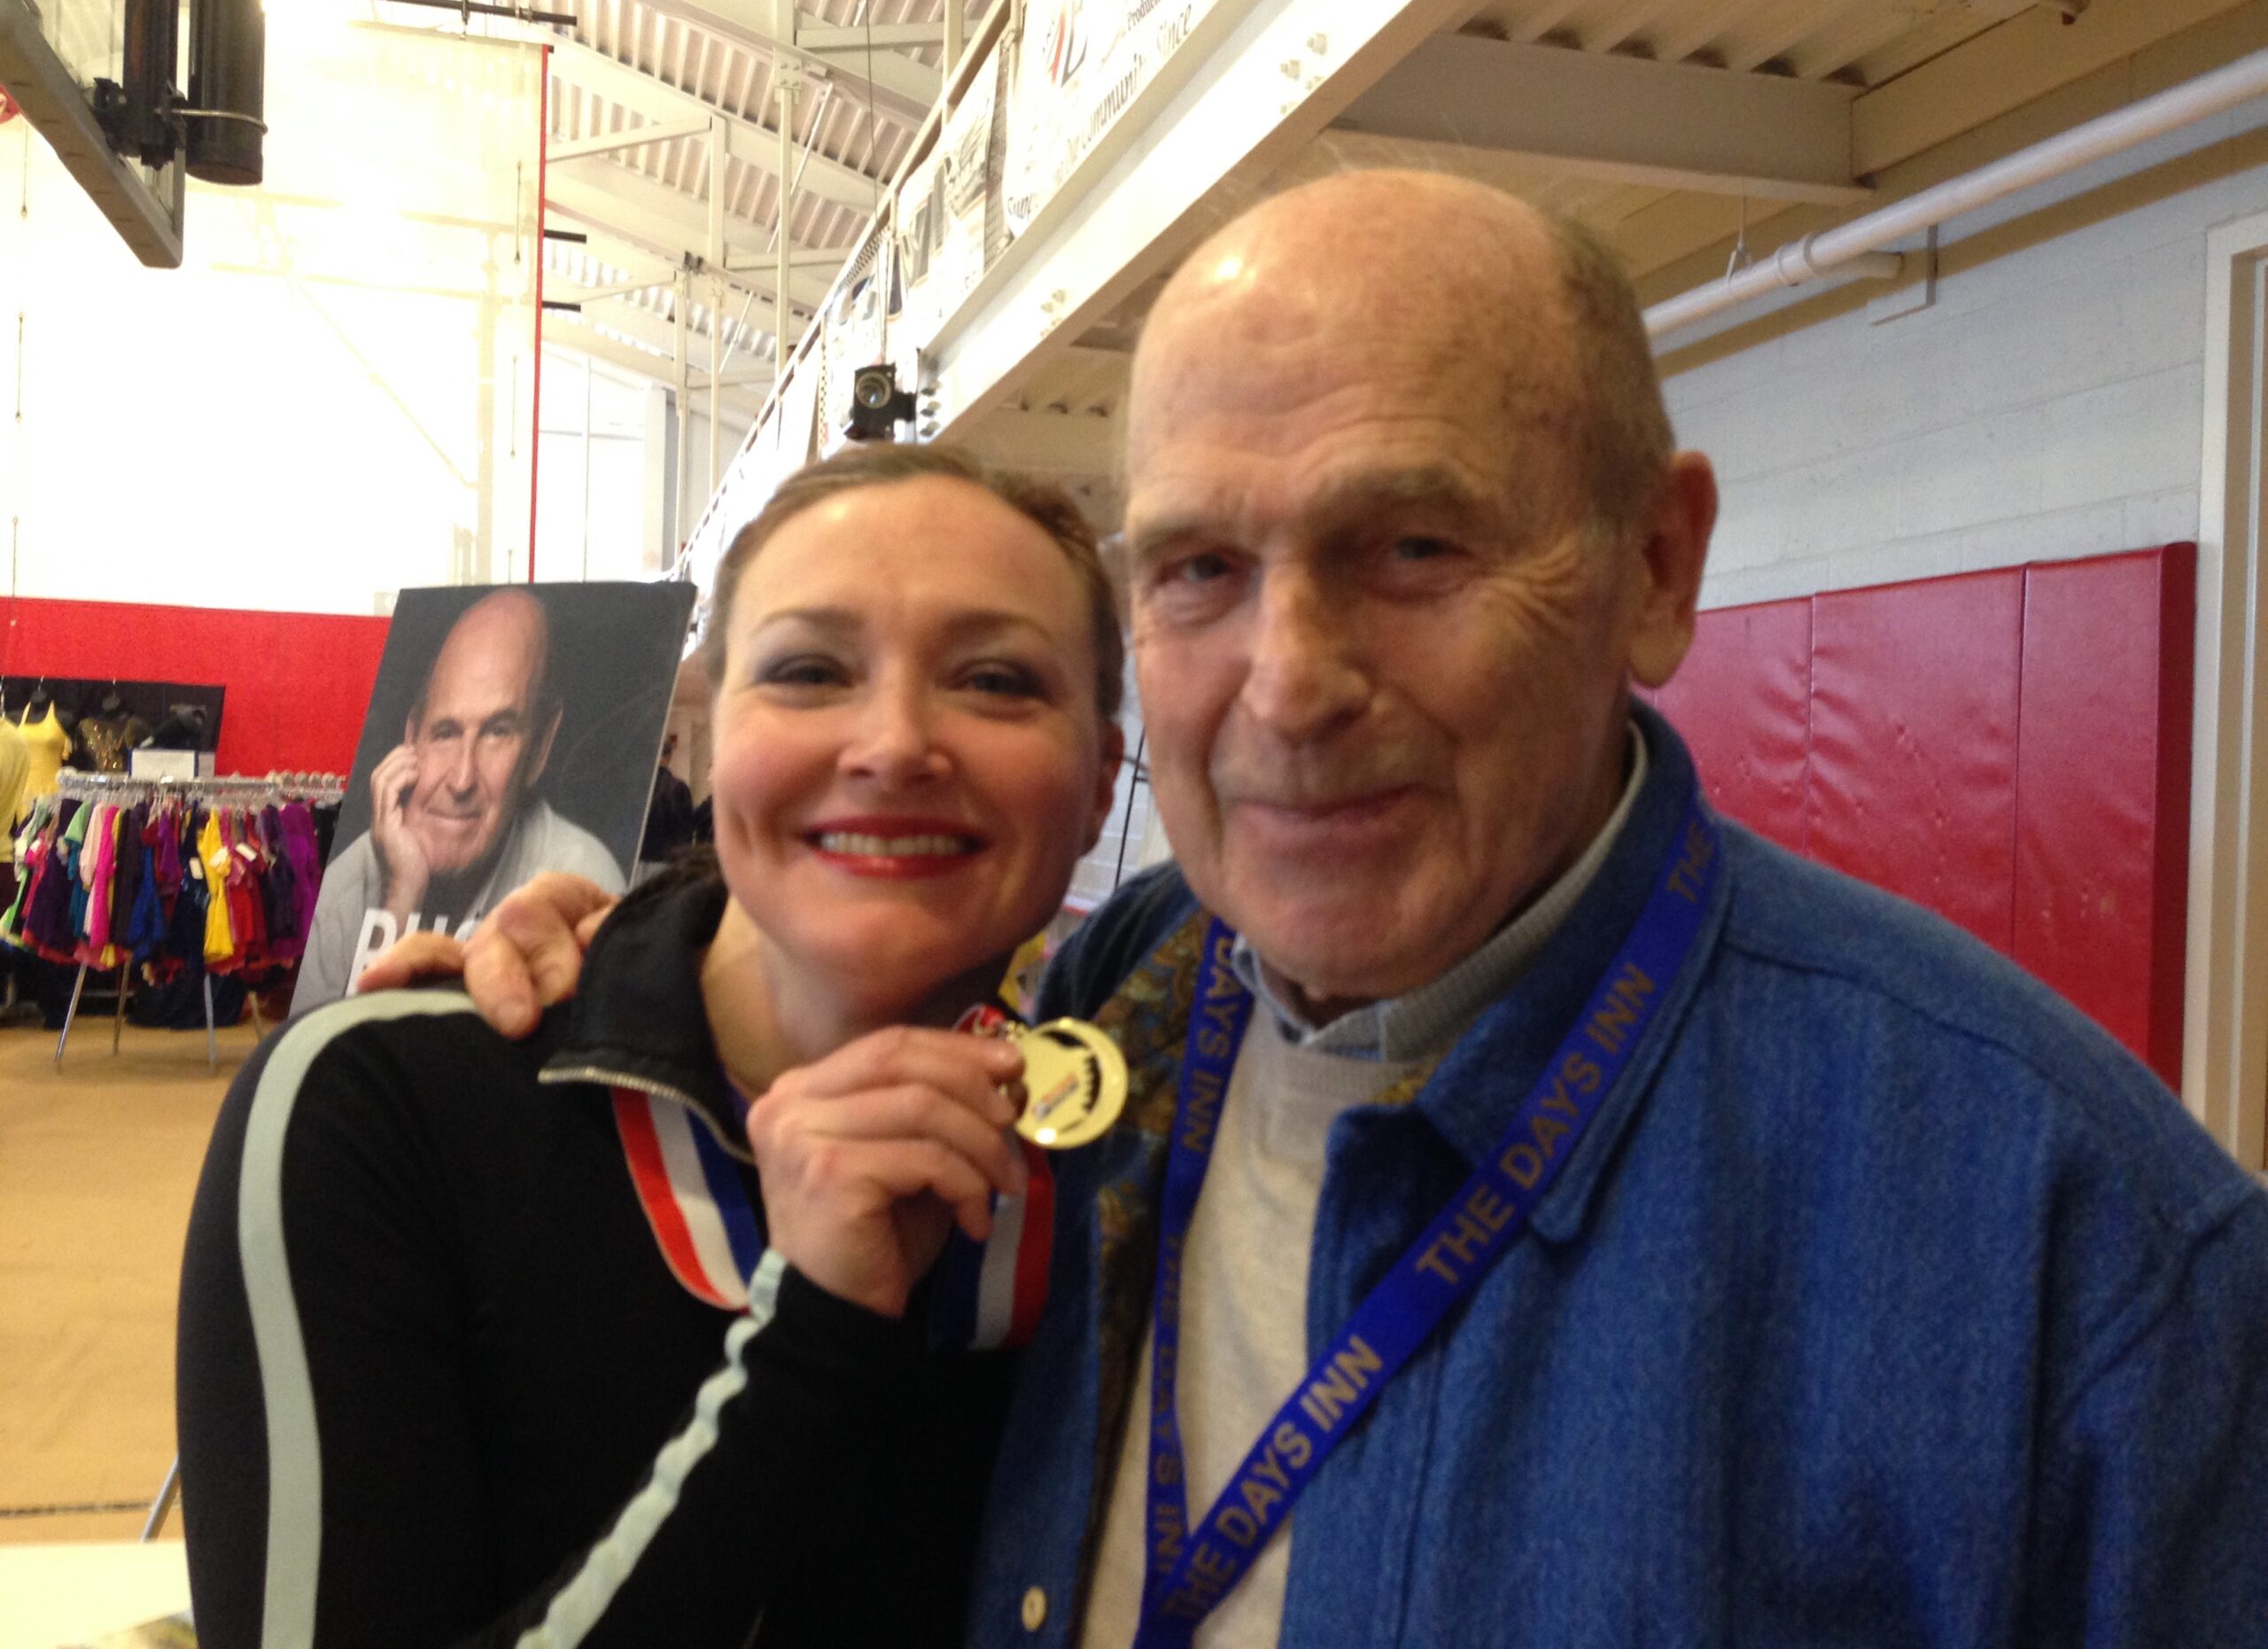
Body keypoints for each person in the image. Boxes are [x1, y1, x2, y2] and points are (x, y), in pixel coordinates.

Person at [379, 172, 2268, 1647]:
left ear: (1652, 570)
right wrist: (580, 956)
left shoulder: (2073, 1256)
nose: (1286, 686)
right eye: (1203, 567)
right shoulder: (1095, 1024)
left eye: (1412, 548)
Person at [176, 445, 1125, 1646]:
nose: (894, 746)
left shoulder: (1123, 1166)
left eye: (995, 680)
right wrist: (809, 1349)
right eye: (811, 670)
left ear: (1100, 783)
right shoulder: (377, 1110)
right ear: (712, 744)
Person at [293, 587, 625, 1009]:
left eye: (497, 731)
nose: (462, 778)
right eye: (446, 733)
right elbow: (327, 1061)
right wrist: (402, 894)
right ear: (411, 738)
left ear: (540, 746)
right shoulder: (347, 886)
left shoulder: (583, 881)